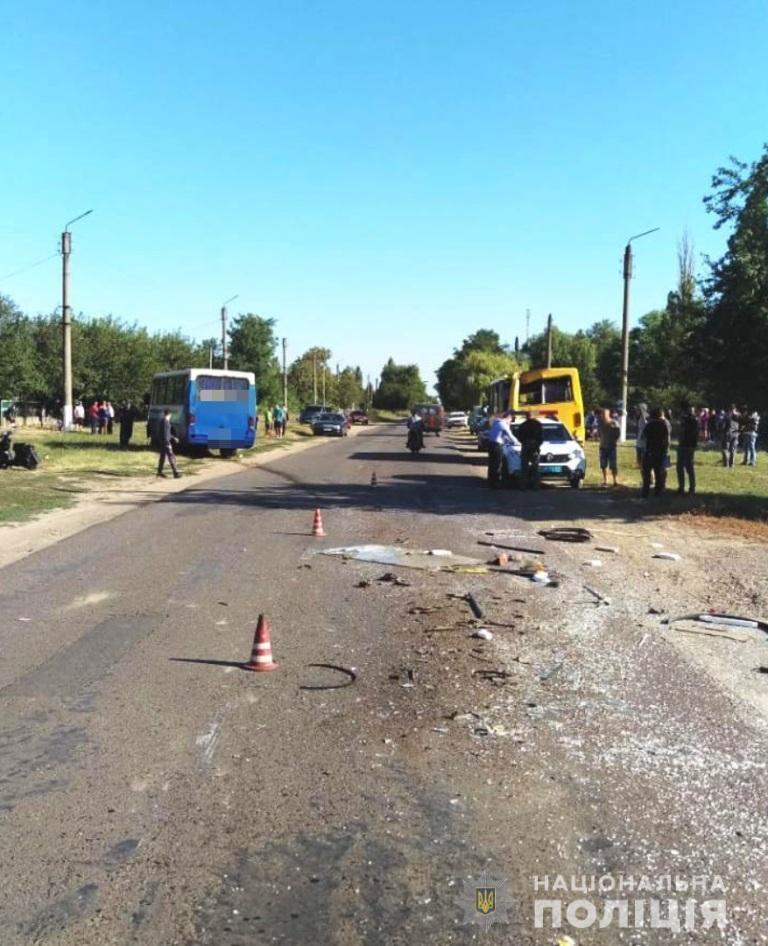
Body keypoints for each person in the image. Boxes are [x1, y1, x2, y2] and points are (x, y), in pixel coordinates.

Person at [642, 407, 670, 498]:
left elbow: (644, 436)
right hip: (660, 451)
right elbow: (666, 438)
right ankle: (658, 491)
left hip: (650, 450)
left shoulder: (649, 425)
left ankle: (645, 491)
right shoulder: (663, 425)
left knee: (647, 472)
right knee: (658, 472)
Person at [485, 411, 518, 487]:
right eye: (511, 419)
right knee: (497, 464)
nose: (511, 421)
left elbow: (504, 436)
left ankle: (491, 481)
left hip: (491, 444)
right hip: (496, 445)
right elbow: (510, 436)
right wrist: (518, 442)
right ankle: (496, 483)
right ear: (508, 417)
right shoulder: (503, 424)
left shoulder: (496, 423)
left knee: (492, 464)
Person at [676, 402, 698, 495]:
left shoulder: (685, 419)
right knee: (689, 467)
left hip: (685, 445)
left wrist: (680, 441)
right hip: (690, 445)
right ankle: (691, 488)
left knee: (681, 467)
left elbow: (682, 432)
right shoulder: (694, 419)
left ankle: (682, 488)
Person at [598, 408, 621, 486]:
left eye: (604, 414)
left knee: (613, 465)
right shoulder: (600, 423)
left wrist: (615, 441)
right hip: (603, 447)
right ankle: (605, 480)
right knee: (603, 465)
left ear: (608, 415)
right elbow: (599, 434)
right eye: (602, 414)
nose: (603, 416)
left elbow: (618, 433)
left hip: (611, 447)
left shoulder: (614, 423)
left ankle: (615, 480)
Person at [157, 409, 181, 478]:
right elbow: (165, 434)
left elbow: (168, 433)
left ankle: (159, 472)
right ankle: (175, 473)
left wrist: (174, 438)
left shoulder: (164, 421)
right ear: (169, 414)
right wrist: (168, 443)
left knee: (163, 457)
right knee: (171, 456)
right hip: (166, 442)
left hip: (163, 442)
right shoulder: (165, 422)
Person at [635, 403, 648, 469]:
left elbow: (647, 427)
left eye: (638, 409)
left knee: (643, 459)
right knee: (639, 458)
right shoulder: (640, 418)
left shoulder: (645, 417)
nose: (636, 411)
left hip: (643, 442)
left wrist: (643, 435)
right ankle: (641, 467)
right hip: (639, 442)